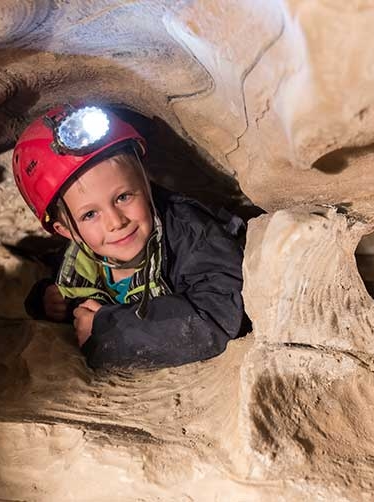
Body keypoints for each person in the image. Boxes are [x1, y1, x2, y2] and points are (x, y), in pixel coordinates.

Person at [13, 104, 247, 369]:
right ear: (66, 232)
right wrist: (48, 300)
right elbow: (64, 279)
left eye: (123, 197)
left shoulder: (192, 234)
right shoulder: (82, 257)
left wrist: (107, 330)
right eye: (90, 214)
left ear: (145, 184)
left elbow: (218, 315)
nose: (116, 222)